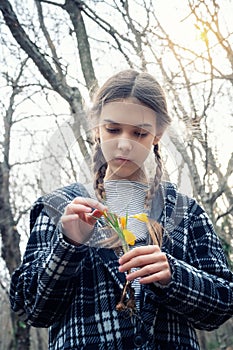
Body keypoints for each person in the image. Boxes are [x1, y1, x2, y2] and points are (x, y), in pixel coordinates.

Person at [10, 69, 233, 350]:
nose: (124, 143)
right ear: (96, 129)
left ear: (157, 135)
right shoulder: (58, 207)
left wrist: (173, 276)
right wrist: (67, 246)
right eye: (113, 129)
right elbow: (32, 309)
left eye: (139, 133)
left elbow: (224, 302)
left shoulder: (185, 211)